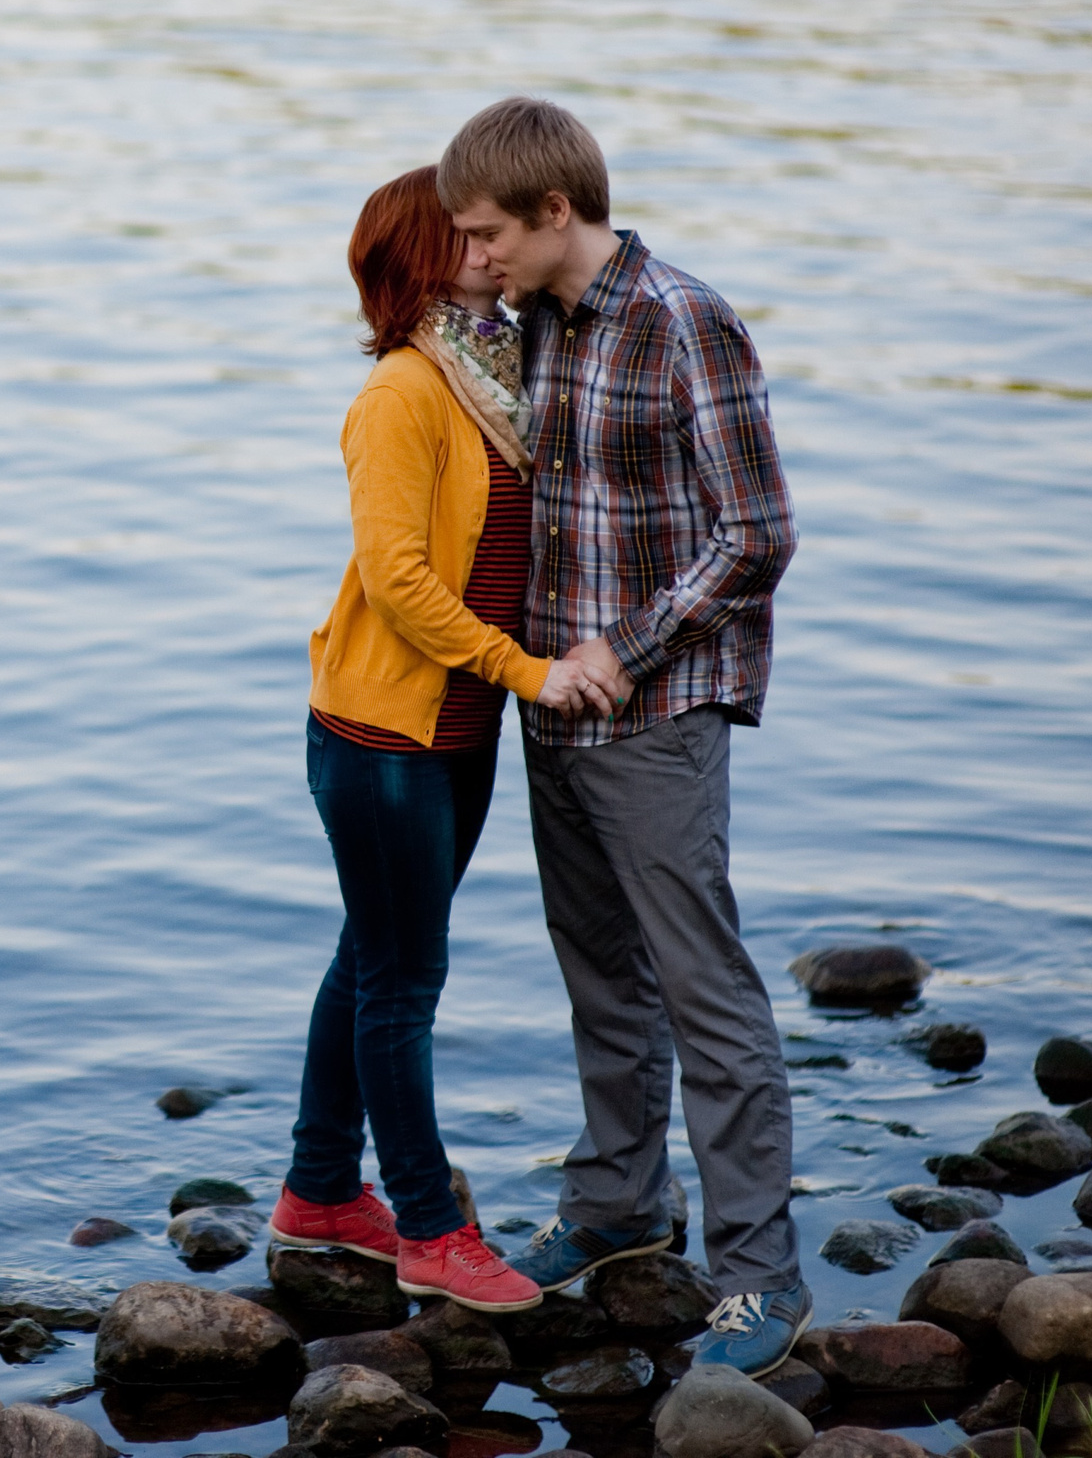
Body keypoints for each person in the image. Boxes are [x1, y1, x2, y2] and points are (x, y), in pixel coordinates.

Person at [441, 98, 810, 1374]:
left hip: (654, 711)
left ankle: (760, 1277)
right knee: (598, 975)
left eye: (486, 232)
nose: (470, 255)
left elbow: (756, 535)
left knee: (704, 993)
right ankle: (617, 1206)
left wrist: (622, 647)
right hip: (551, 710)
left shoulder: (683, 322)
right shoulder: (517, 325)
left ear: (556, 212)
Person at [266, 166, 615, 1312]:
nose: (482, 239)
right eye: (458, 230)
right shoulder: (404, 394)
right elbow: (399, 580)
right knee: (403, 980)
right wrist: (530, 673)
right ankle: (424, 1224)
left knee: (371, 955)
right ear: (421, 251)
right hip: (382, 737)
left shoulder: (495, 374)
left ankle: (319, 1191)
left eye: (488, 227)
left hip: (455, 729)